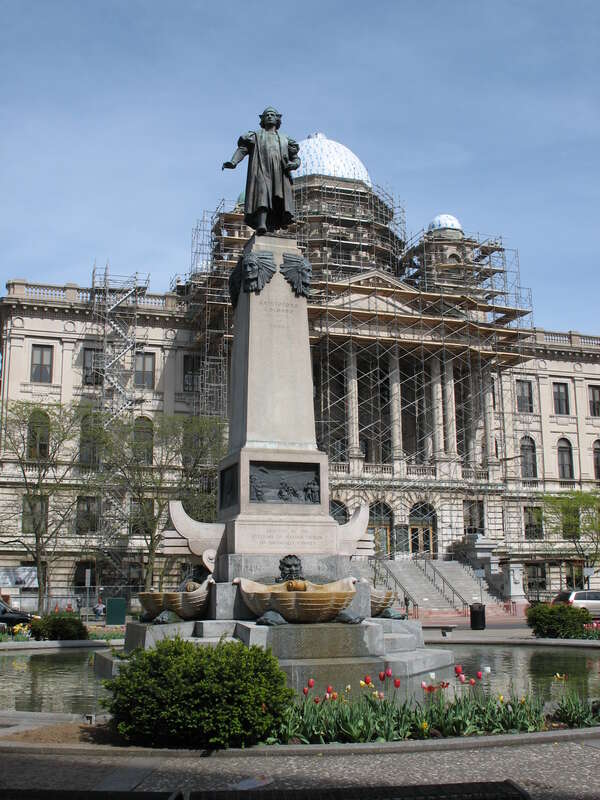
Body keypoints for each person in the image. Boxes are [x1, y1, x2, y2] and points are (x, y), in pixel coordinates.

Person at [222, 107, 300, 234]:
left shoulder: (285, 139)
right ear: (262, 119)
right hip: (262, 170)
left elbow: (296, 158)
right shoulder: (256, 136)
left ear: (277, 119)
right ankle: (262, 223)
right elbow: (243, 149)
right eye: (267, 115)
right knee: (262, 194)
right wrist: (233, 162)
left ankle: (275, 225)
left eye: (272, 114)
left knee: (277, 199)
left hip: (279, 173)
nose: (269, 116)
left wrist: (294, 164)